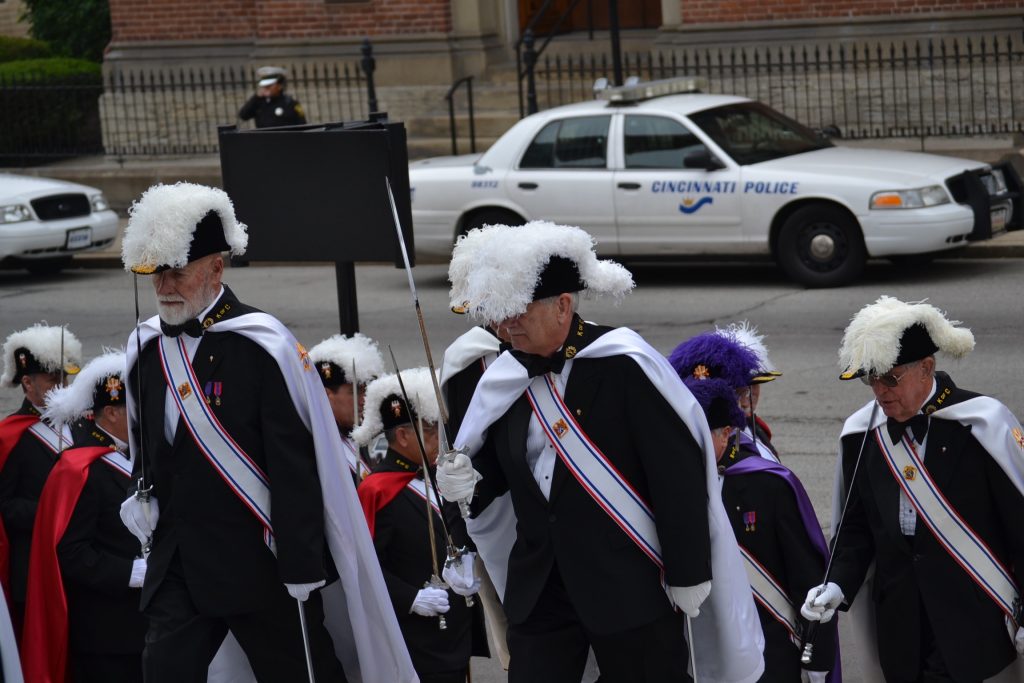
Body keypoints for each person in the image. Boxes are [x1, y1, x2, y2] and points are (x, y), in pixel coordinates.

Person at [435, 221, 764, 683]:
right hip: (542, 587)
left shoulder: (624, 365)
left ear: (563, 306)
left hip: (628, 584)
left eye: (518, 313)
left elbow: (676, 473)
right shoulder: (504, 375)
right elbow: (500, 471)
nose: (507, 326)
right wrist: (466, 482)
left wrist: (688, 571)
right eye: (501, 313)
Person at [117, 181, 415, 683]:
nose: (165, 286)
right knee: (163, 669)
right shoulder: (145, 348)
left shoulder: (262, 344)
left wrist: (300, 564)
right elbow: (148, 444)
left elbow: (294, 463)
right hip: (180, 560)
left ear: (216, 267)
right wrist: (138, 492)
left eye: (177, 272)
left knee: (301, 673)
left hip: (260, 561)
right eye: (156, 273)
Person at [802, 296, 1024, 682]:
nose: (880, 391)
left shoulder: (981, 426)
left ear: (927, 368)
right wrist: (837, 582)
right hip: (900, 624)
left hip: (974, 616)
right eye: (871, 379)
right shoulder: (862, 435)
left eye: (890, 377)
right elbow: (856, 529)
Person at [670, 331, 837, 682]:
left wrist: (817, 659)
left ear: (727, 431)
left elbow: (805, 575)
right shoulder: (666, 483)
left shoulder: (768, 481)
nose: (750, 397)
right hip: (696, 652)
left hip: (769, 648)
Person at [21, 351, 146, 683]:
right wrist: (129, 572)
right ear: (109, 412)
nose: (141, 416)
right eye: (134, 408)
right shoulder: (79, 468)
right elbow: (70, 552)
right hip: (105, 631)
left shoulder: (140, 457)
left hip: (147, 620)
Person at [354, 368, 482, 683]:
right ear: (403, 435)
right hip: (414, 637)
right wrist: (409, 598)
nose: (440, 439)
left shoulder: (437, 475)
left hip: (454, 633)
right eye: (431, 431)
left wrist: (467, 559)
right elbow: (364, 567)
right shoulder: (377, 490)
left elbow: (457, 529)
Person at [0, 323, 81, 631]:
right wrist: (52, 512)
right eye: (52, 378)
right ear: (27, 383)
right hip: (34, 567)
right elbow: (5, 506)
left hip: (81, 565)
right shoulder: (10, 437)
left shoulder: (85, 424)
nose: (63, 384)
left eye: (65, 376)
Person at [309, 333, 385, 482]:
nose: (365, 400)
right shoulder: (313, 447)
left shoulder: (364, 432)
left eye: (367, 390)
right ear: (325, 396)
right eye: (356, 392)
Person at [718, 321, 782, 462]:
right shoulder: (718, 438)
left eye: (754, 385)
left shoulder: (757, 426)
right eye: (738, 390)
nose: (747, 399)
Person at [238, 66, 307, 128]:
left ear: (280, 86)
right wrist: (256, 97)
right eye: (264, 86)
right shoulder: (259, 102)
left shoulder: (291, 103)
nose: (265, 88)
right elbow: (243, 115)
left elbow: (302, 125)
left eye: (269, 86)